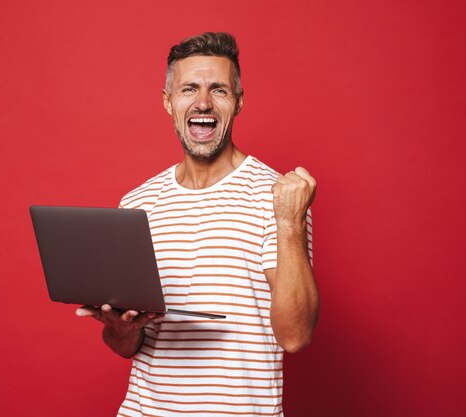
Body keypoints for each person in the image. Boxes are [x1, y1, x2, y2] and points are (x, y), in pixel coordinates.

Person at [76, 32, 319, 417]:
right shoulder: (138, 203)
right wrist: (121, 328)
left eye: (219, 90)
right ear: (168, 101)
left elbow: (295, 336)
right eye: (189, 88)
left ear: (238, 102)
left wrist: (289, 222)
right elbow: (125, 346)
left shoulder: (277, 197)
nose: (202, 102)